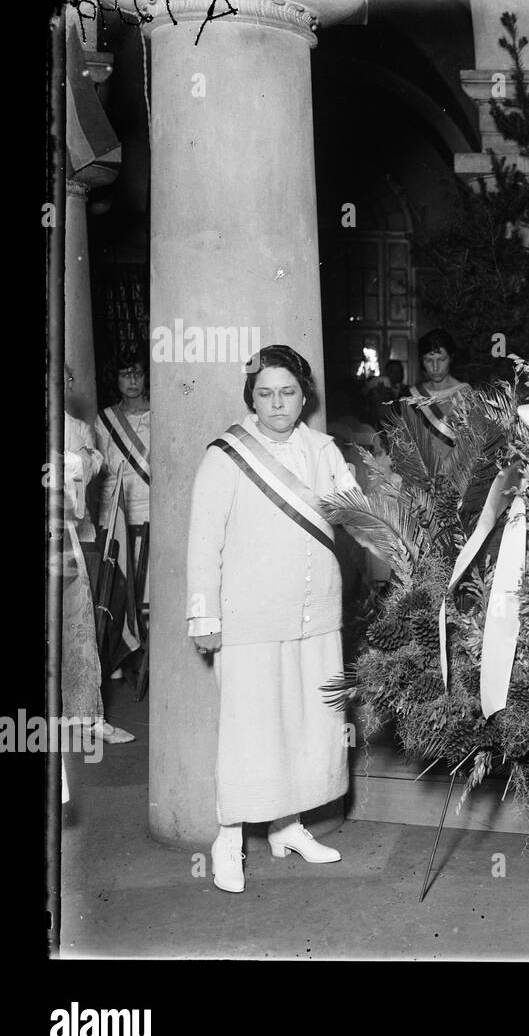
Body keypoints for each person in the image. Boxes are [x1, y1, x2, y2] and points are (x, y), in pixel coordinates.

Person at [187, 345, 359, 893]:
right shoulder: (226, 455)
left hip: (316, 617)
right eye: (265, 393)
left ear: (304, 396)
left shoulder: (325, 450)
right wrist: (203, 618)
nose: (277, 403)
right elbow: (202, 545)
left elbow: (353, 514)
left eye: (288, 392)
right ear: (251, 398)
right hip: (250, 621)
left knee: (309, 725)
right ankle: (228, 839)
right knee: (250, 732)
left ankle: (288, 827)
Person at [61, 405, 134, 744]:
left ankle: (87, 717)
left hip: (63, 534)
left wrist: (82, 460)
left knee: (77, 626)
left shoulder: (73, 425)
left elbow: (86, 470)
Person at [95, 344, 151, 685]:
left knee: (148, 594)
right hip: (116, 515)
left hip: (152, 511)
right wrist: (103, 519)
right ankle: (116, 654)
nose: (132, 380)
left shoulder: (160, 414)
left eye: (138, 373)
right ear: (115, 379)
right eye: (125, 374)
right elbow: (102, 473)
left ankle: (148, 655)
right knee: (117, 589)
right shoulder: (105, 420)